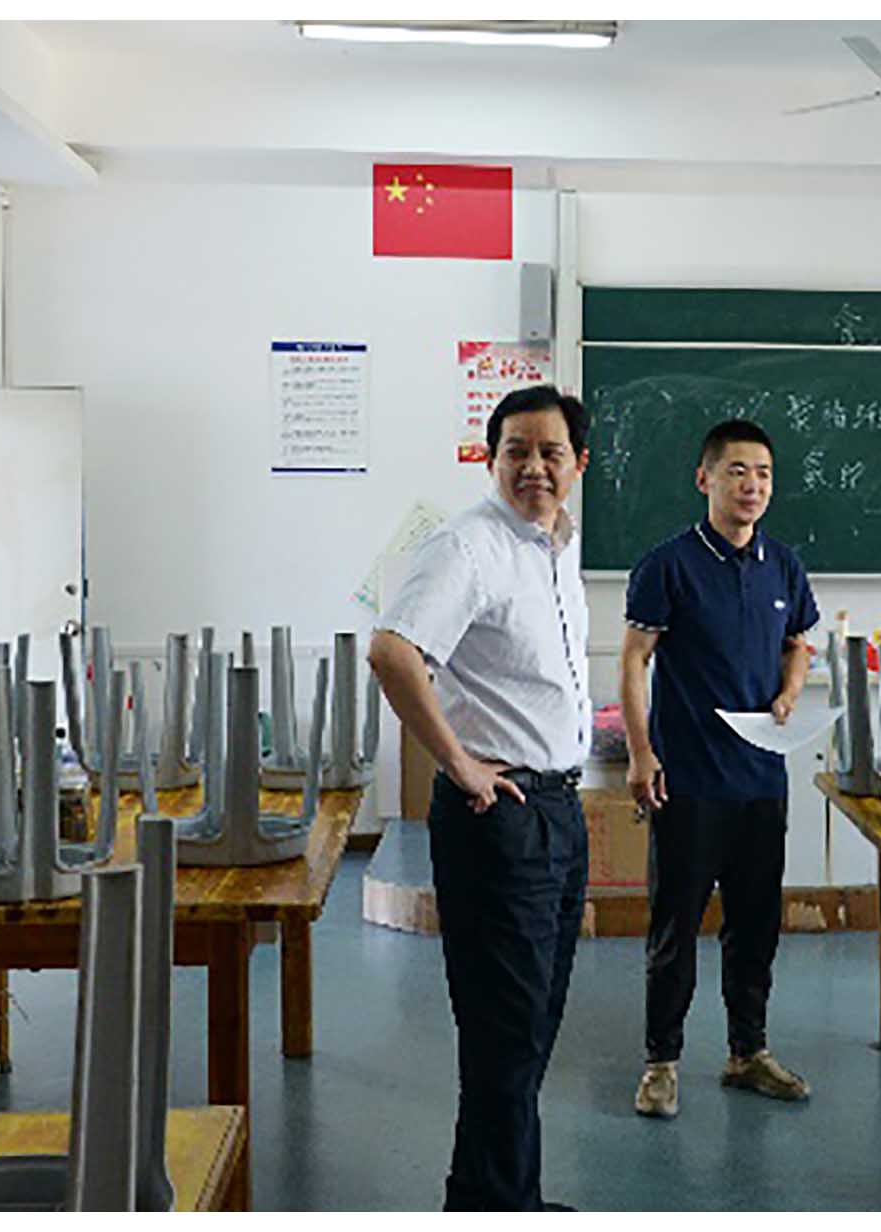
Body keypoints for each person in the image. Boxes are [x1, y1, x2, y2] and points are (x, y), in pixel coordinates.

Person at [369, 384, 592, 1211]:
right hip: (499, 817)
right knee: (505, 1028)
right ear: (490, 459)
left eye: (550, 452)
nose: (533, 467)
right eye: (515, 452)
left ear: (578, 464)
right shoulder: (468, 547)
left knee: (531, 1023)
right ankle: (497, 1206)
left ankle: (497, 1197)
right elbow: (392, 652)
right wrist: (458, 764)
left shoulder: (556, 547)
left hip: (556, 809)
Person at [620, 418, 820, 1120]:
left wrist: (790, 691)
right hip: (688, 780)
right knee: (675, 926)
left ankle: (748, 1052)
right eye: (737, 471)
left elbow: (799, 642)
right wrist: (641, 753)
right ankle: (661, 1062)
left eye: (763, 473)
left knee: (755, 925)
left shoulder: (783, 565)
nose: (752, 485)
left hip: (761, 779)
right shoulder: (668, 565)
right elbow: (634, 661)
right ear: (705, 479)